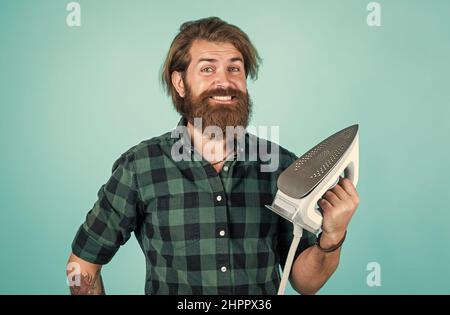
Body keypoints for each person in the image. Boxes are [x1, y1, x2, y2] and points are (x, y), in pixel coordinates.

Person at [66, 17, 359, 295]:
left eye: (235, 69)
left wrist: (331, 238)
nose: (224, 82)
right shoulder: (140, 167)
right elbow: (82, 266)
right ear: (180, 83)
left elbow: (306, 283)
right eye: (208, 69)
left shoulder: (281, 167)